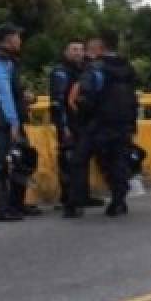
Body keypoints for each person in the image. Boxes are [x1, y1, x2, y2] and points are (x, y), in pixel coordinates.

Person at [70, 31, 139, 217]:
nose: (86, 52)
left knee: (78, 160)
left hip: (98, 124)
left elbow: (84, 97)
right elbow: (134, 96)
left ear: (99, 48)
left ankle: (74, 204)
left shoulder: (95, 68)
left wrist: (82, 117)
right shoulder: (127, 67)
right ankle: (119, 201)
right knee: (117, 161)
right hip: (123, 123)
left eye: (89, 48)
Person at [0, 23, 39, 221]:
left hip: (11, 119)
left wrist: (24, 96)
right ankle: (1, 207)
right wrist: (12, 121)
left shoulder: (8, 60)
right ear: (8, 39)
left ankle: (16, 204)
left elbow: (12, 91)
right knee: (2, 163)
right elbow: (3, 92)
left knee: (22, 159)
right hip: (4, 120)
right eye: (17, 37)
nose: (20, 41)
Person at [50, 40, 102, 212]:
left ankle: (83, 195)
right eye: (74, 49)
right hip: (68, 122)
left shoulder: (85, 71)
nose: (78, 53)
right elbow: (58, 102)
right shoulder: (60, 72)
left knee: (83, 158)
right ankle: (68, 198)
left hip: (83, 122)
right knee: (68, 158)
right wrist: (63, 126)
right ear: (66, 52)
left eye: (80, 49)